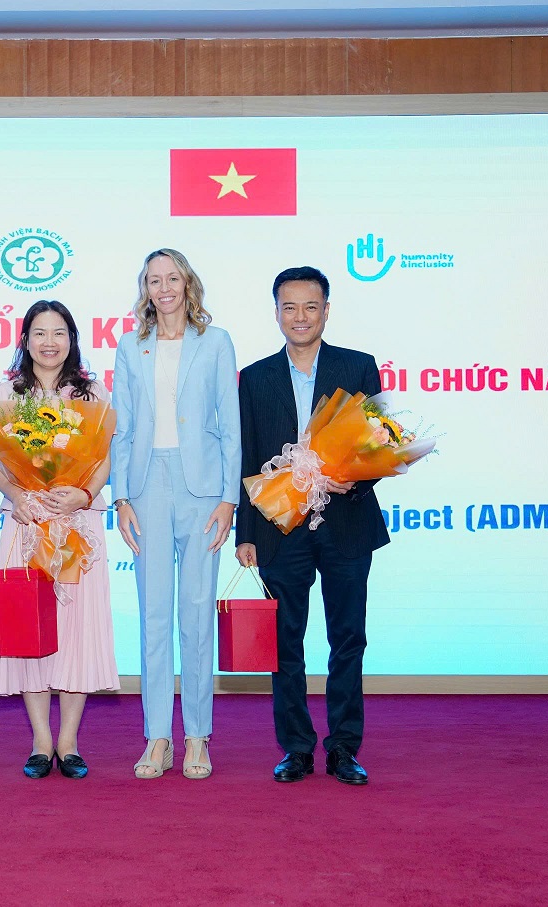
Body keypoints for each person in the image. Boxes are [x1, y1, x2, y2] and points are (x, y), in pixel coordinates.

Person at [235, 265, 387, 786]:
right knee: (286, 642)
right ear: (276, 312)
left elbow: (380, 442)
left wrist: (354, 479)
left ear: (326, 310)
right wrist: (246, 533)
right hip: (280, 528)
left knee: (348, 639)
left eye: (310, 306)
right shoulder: (255, 377)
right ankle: (296, 747)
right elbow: (246, 457)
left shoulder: (358, 366)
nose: (300, 316)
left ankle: (344, 747)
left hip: (347, 522)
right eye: (289, 307)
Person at [111, 249, 241, 780]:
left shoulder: (216, 342)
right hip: (146, 488)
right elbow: (122, 428)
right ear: (144, 288)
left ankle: (198, 736)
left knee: (197, 613)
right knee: (154, 615)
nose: (163, 288)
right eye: (153, 280)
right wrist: (121, 497)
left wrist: (229, 498)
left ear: (188, 283)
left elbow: (230, 424)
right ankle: (157, 737)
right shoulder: (130, 346)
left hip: (204, 491)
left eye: (172, 278)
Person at [0, 300, 120, 780]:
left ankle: (69, 742)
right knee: (31, 627)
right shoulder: (5, 393)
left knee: (75, 631)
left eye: (58, 332)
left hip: (76, 523)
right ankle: (41, 740)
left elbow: (103, 458)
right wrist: (17, 495)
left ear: (71, 339)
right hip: (26, 523)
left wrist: (85, 493)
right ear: (24, 340)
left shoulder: (92, 394)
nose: (49, 342)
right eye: (39, 333)